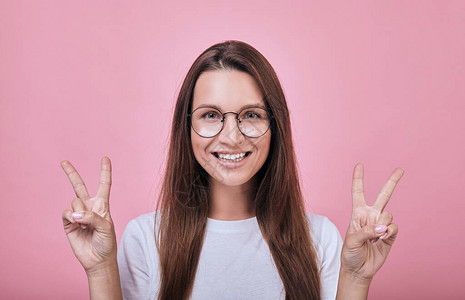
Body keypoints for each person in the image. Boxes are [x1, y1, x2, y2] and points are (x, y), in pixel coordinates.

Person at [61, 40, 404, 300]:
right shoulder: (145, 238)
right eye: (210, 115)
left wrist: (356, 279)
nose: (231, 136)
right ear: (187, 127)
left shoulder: (321, 238)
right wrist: (100, 269)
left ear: (275, 127)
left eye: (251, 115)